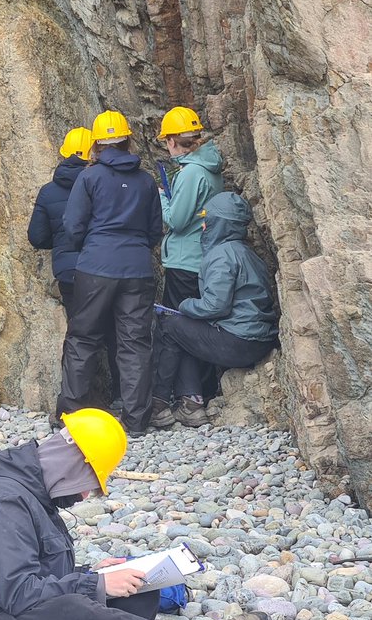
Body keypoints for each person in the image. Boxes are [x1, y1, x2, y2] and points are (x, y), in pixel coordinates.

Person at [0, 408, 274, 620]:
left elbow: (35, 574)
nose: (85, 496)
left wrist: (94, 574)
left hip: (16, 619)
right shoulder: (4, 502)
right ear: (72, 465)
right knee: (76, 610)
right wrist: (95, 585)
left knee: (139, 590)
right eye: (90, 483)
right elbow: (18, 593)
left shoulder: (32, 498)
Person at [55, 111, 162, 437]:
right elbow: (155, 230)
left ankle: (70, 415)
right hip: (137, 268)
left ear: (97, 144)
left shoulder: (89, 178)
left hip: (96, 267)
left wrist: (91, 247)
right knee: (135, 343)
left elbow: (72, 225)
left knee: (83, 338)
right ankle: (135, 421)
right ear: (128, 140)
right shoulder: (146, 181)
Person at [152, 192, 279, 426]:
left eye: (206, 219)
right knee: (185, 330)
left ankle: (161, 405)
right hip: (260, 340)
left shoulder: (221, 255)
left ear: (218, 223)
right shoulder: (247, 253)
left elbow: (215, 306)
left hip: (238, 343)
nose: (203, 225)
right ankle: (191, 401)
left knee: (171, 326)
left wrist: (184, 305)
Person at [27, 128, 120, 412]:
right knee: (115, 333)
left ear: (65, 153)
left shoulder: (48, 191)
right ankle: (120, 397)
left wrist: (61, 242)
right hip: (104, 268)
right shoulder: (104, 182)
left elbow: (36, 237)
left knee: (80, 336)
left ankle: (77, 401)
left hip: (69, 274)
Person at [152, 107, 224, 429]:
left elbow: (177, 220)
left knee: (177, 329)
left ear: (171, 141)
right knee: (196, 327)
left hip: (184, 261)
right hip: (203, 259)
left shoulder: (192, 173)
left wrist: (162, 198)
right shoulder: (210, 168)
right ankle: (200, 394)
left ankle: (189, 401)